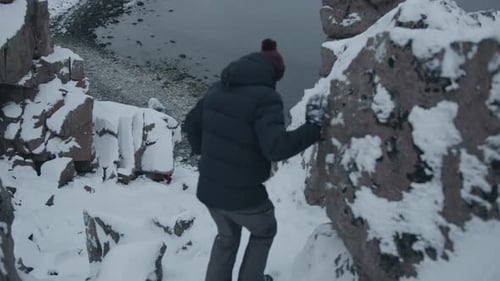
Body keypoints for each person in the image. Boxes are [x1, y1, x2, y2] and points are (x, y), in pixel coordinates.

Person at [183, 38, 327, 281]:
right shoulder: (266, 98)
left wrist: (205, 154)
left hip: (209, 189)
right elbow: (276, 149)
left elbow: (190, 124)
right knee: (264, 230)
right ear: (272, 74)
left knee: (227, 238)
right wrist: (314, 128)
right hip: (244, 196)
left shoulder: (218, 88)